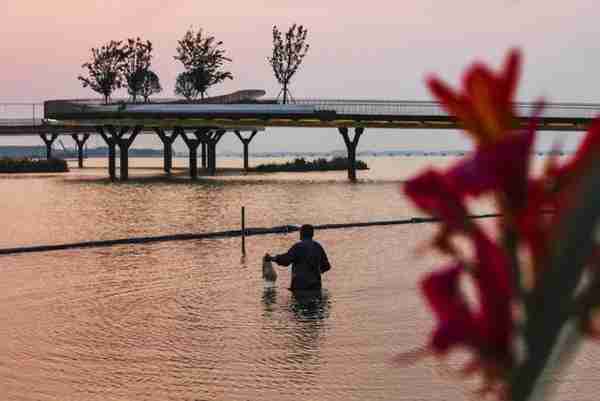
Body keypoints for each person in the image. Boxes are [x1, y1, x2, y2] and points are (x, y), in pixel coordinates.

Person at [265, 224, 331, 291]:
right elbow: (326, 266)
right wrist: (315, 273)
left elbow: (285, 260)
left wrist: (272, 258)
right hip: (315, 285)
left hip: (300, 285)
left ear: (301, 234)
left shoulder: (298, 247)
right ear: (312, 234)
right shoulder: (318, 247)